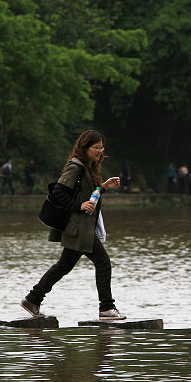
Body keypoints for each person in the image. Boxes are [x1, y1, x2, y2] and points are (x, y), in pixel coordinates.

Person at [20, 130, 125, 321]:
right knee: (103, 263)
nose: (100, 151)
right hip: (78, 226)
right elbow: (59, 192)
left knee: (64, 265)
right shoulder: (75, 166)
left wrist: (103, 187)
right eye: (96, 147)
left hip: (83, 226)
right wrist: (79, 206)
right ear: (84, 148)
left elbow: (87, 194)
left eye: (102, 147)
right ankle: (107, 308)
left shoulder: (88, 167)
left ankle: (32, 299)